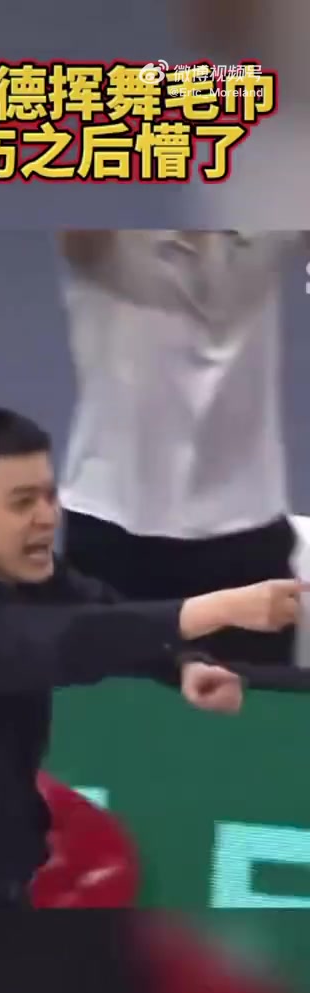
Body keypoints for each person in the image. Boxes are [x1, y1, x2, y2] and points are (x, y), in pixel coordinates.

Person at [0, 408, 305, 908]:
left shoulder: (24, 572)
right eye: (22, 502)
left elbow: (100, 608)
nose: (47, 516)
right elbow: (71, 640)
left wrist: (182, 664)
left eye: (49, 495)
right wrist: (224, 609)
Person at [58, 229, 306, 666]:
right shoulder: (106, 240)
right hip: (114, 540)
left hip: (246, 540)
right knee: (104, 709)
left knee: (256, 710)